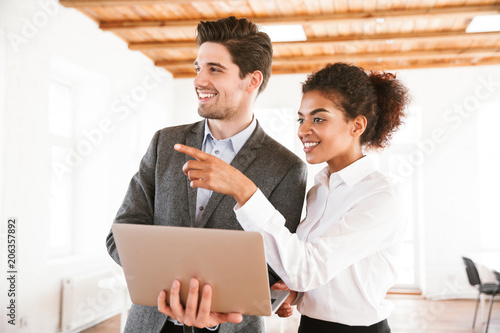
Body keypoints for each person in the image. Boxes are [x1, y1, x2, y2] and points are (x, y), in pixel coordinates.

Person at [169, 62, 411, 333]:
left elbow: (308, 269)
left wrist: (244, 190)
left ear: (357, 126)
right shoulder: (320, 190)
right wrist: (297, 295)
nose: (303, 130)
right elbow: (328, 272)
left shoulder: (380, 197)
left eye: (318, 119)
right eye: (301, 118)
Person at [106, 16, 308, 333]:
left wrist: (213, 306)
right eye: (198, 67)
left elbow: (277, 265)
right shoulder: (164, 144)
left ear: (252, 80)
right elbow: (121, 235)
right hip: (152, 324)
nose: (199, 80)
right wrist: (177, 297)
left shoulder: (287, 168)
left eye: (214, 69)